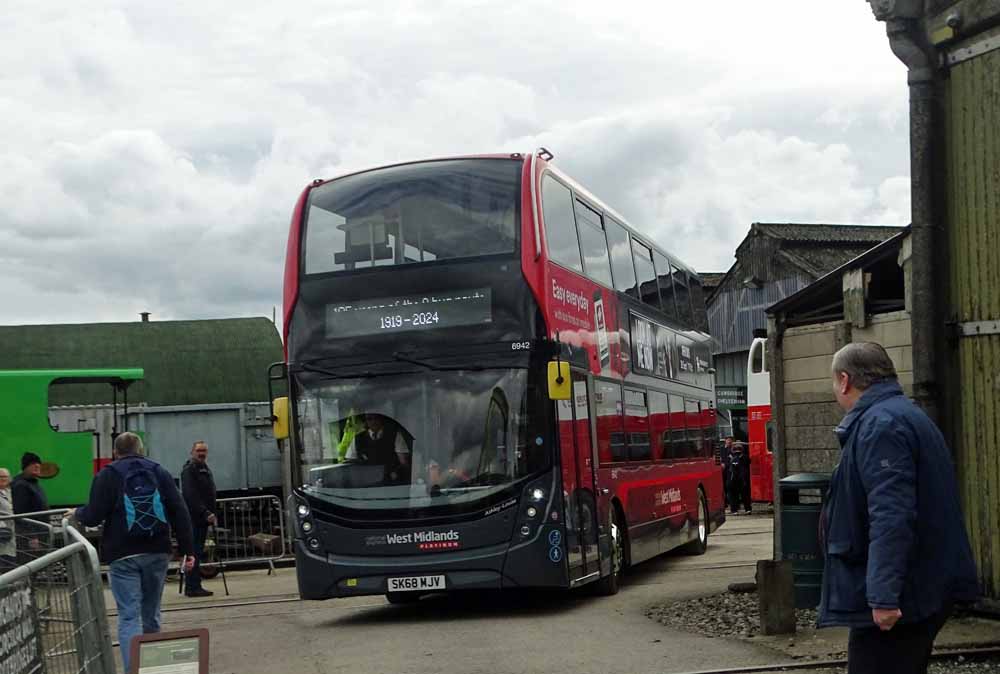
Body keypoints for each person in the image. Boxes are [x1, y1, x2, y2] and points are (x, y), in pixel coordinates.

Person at [818, 342, 980, 674]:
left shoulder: (882, 426)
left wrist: (883, 596)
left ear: (845, 380)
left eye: (834, 382)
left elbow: (892, 515)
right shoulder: (901, 415)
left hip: (904, 595)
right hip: (916, 586)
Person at [72, 432, 195, 674]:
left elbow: (94, 514)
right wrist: (188, 550)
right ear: (141, 449)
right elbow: (179, 511)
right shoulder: (158, 471)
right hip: (157, 550)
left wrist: (77, 513)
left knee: (129, 616)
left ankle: (134, 670)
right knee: (151, 613)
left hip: (123, 554)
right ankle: (153, 667)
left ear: (116, 452)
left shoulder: (107, 474)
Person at [181, 440, 217, 598]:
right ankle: (192, 586)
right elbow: (191, 495)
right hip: (194, 518)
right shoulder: (190, 470)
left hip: (201, 518)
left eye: (204, 451)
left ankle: (195, 584)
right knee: (194, 552)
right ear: (192, 452)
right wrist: (205, 512)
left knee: (197, 551)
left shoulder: (203, 468)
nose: (201, 453)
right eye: (199, 450)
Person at [353, 413, 411, 483]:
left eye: (376, 418)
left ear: (382, 419)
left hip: (390, 480)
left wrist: (396, 473)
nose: (373, 421)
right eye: (369, 419)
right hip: (367, 481)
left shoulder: (394, 434)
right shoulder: (358, 438)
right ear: (365, 421)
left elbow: (403, 462)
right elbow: (351, 461)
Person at [727, 442, 751, 514]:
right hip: (742, 479)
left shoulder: (730, 457)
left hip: (733, 479)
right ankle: (747, 509)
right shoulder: (745, 457)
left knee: (734, 495)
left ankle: (735, 510)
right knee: (745, 494)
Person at [0, 468, 15, 569]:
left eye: (5, 477)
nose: (3, 479)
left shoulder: (11, 492)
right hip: (3, 535)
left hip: (15, 535)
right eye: (1, 477)